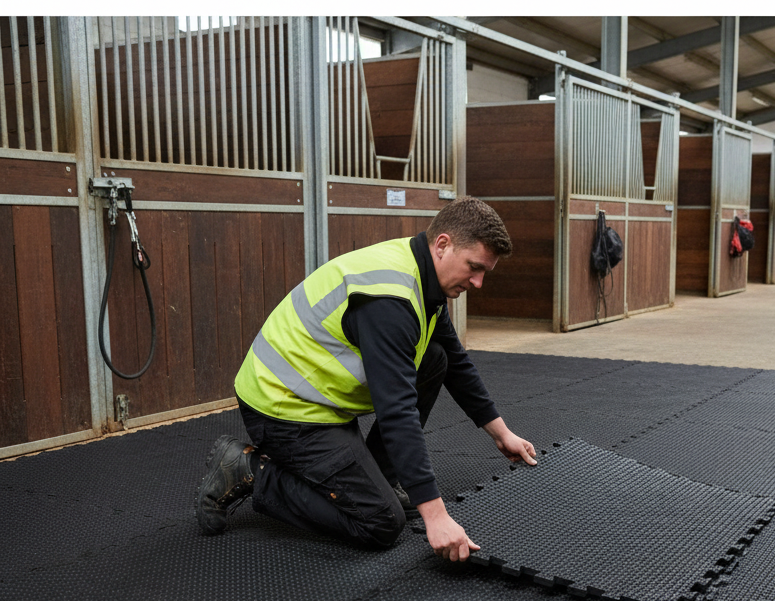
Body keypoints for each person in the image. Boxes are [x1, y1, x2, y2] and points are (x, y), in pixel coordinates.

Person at [194, 196, 536, 562]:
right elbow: (397, 410)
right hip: (284, 409)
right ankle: (251, 471)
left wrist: (501, 433)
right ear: (442, 245)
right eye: (474, 267)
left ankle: (381, 480)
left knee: (436, 358)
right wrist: (436, 516)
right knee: (380, 523)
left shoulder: (421, 274)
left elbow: (455, 361)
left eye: (485, 272)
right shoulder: (390, 299)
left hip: (320, 402)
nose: (479, 282)